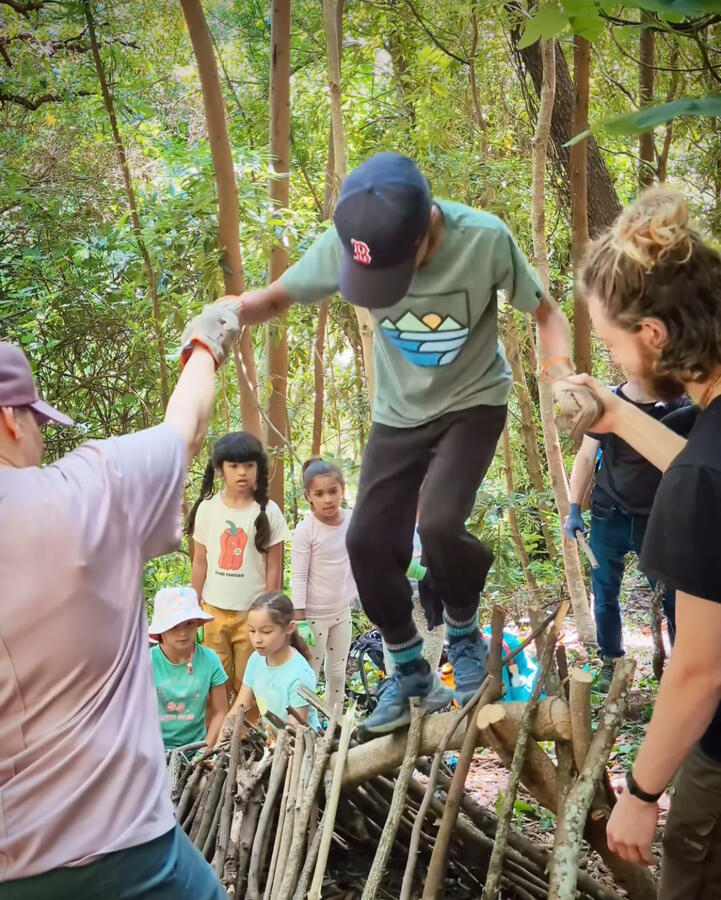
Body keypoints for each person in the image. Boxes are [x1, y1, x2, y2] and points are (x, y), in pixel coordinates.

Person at [225, 151, 597, 738]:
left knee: (443, 522)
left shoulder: (484, 240)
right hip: (398, 416)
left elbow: (545, 312)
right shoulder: (349, 245)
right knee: (367, 539)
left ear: (427, 229)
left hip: (474, 401)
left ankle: (465, 632)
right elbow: (274, 297)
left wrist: (559, 372)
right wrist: (224, 317)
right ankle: (409, 671)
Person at [0, 299, 241, 898]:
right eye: (37, 425)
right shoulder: (86, 490)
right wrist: (207, 340)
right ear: (10, 420)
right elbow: (184, 426)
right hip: (126, 853)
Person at [570, 186, 721, 897]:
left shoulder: (699, 481)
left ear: (653, 336)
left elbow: (699, 670)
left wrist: (638, 793)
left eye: (610, 342)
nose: (613, 358)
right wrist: (617, 418)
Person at [563, 375, 687, 691]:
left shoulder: (675, 404)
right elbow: (587, 455)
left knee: (673, 599)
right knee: (604, 594)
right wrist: (574, 507)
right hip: (609, 515)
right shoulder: (607, 401)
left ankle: (682, 667)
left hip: (657, 521)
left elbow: (686, 462)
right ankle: (612, 663)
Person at [187, 431, 290, 698]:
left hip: (252, 616)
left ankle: (250, 733)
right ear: (220, 469)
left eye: (248, 465)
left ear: (259, 468)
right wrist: (192, 604)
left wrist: (269, 612)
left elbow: (274, 568)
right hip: (213, 612)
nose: (241, 473)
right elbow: (200, 562)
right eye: (233, 466)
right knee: (215, 677)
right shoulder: (208, 509)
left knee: (250, 679)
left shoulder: (269, 511)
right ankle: (216, 731)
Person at [291, 458, 356, 711]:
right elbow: (298, 576)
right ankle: (304, 724)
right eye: (319, 494)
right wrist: (300, 620)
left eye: (333, 491)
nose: (327, 499)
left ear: (342, 489)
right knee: (310, 671)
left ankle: (335, 723)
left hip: (342, 612)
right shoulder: (306, 530)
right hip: (313, 617)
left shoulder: (352, 520)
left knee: (337, 672)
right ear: (308, 496)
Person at [149, 586, 229, 751]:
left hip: (197, 748)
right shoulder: (145, 662)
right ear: (161, 629)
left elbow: (221, 711)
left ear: (198, 624)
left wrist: (205, 750)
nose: (183, 633)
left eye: (189, 624)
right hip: (153, 749)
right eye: (174, 625)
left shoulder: (210, 659)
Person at [225, 591, 319, 730]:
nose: (257, 639)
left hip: (299, 746)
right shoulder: (256, 659)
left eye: (266, 632)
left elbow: (296, 730)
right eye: (252, 631)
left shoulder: (300, 676)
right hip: (272, 740)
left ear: (289, 628)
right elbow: (240, 706)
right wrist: (220, 742)